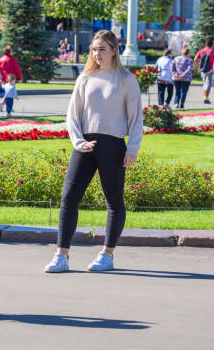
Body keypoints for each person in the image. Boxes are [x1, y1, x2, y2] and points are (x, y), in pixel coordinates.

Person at [44, 30, 142, 273]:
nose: (97, 54)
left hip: (113, 146)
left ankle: (107, 254)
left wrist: (132, 148)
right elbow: (72, 115)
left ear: (114, 50)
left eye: (102, 49)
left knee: (114, 201)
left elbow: (136, 117)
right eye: (94, 49)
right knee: (68, 198)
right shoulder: (85, 78)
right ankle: (61, 255)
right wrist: (78, 142)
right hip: (85, 145)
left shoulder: (126, 79)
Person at [194, 38, 214, 104]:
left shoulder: (201, 51)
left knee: (205, 84)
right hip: (210, 70)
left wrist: (198, 67)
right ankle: (206, 98)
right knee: (208, 85)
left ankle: (205, 97)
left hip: (202, 70)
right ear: (212, 44)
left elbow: (195, 59)